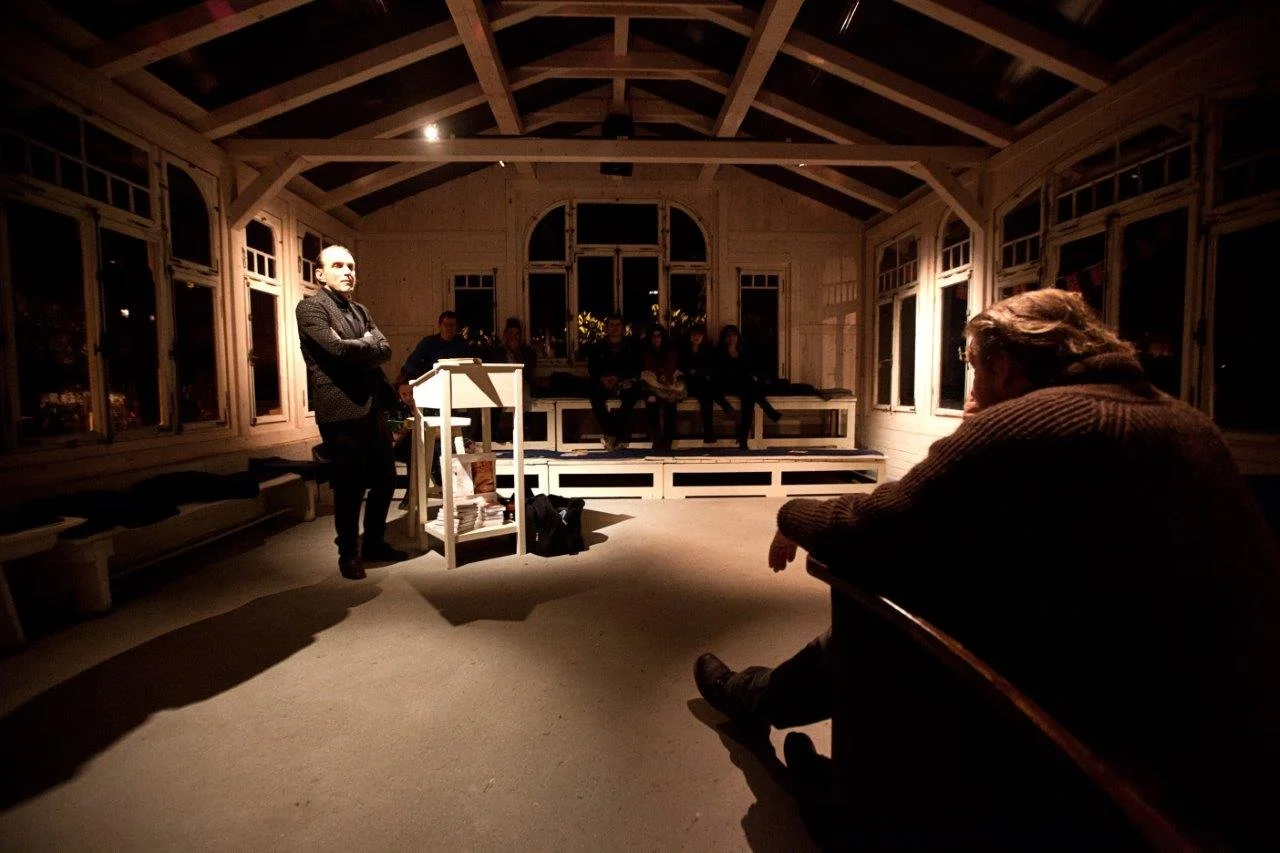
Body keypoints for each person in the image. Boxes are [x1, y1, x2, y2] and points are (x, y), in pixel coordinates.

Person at [693, 289, 1280, 847]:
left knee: (883, 606)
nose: (970, 388)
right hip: (1235, 748)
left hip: (1126, 761)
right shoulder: (1190, 422)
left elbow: (871, 528)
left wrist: (791, 512)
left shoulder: (1033, 423)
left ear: (1006, 367)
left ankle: (849, 793)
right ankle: (768, 701)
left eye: (974, 367)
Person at [296, 245, 409, 580]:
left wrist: (362, 345)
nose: (348, 271)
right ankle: (348, 552)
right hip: (340, 411)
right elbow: (337, 351)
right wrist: (365, 345)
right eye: (338, 265)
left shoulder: (361, 310)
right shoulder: (310, 308)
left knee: (386, 480)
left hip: (373, 407)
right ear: (320, 273)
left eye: (351, 266)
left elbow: (385, 349)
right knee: (349, 487)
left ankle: (373, 542)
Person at [395, 310, 478, 483]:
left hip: (456, 394)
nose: (449, 328)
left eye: (452, 325)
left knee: (460, 429)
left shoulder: (461, 344)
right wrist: (431, 375)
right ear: (439, 325)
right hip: (433, 394)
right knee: (432, 435)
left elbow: (471, 367)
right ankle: (439, 477)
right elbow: (411, 365)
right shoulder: (429, 343)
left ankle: (460, 473)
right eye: (446, 325)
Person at [717, 324, 781, 449]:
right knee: (750, 389)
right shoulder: (721, 352)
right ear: (725, 338)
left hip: (743, 385)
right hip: (728, 383)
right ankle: (770, 411)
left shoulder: (742, 351)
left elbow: (747, 368)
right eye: (728, 336)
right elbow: (724, 371)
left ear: (737, 337)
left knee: (748, 399)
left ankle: (743, 440)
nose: (731, 338)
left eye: (734, 335)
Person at [587, 314, 645, 451]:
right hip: (602, 382)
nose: (614, 328)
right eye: (611, 325)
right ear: (607, 328)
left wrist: (618, 378)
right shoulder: (598, 347)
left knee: (632, 396)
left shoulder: (631, 346)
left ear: (623, 328)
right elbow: (592, 367)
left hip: (623, 382)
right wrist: (602, 379)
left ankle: (612, 434)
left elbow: (636, 366)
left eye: (618, 325)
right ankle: (615, 434)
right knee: (595, 397)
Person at [679, 323, 734, 443]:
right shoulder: (685, 351)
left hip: (704, 384)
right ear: (690, 336)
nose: (696, 337)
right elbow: (683, 369)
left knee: (707, 399)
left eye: (699, 335)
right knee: (706, 389)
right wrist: (694, 371)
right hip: (691, 384)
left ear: (703, 337)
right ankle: (725, 405)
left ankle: (708, 434)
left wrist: (700, 371)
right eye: (694, 335)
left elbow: (711, 367)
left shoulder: (707, 350)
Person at [488, 317, 538, 443]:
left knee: (523, 392)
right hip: (501, 385)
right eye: (510, 333)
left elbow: (528, 371)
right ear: (505, 334)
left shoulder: (526, 352)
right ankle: (493, 432)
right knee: (493, 397)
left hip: (521, 384)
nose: (513, 337)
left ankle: (525, 430)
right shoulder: (497, 352)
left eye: (516, 334)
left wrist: (516, 352)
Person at [639, 324, 684, 452]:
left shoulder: (670, 350)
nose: (656, 339)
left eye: (659, 336)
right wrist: (658, 377)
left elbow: (671, 366)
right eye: (654, 336)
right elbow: (648, 369)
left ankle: (668, 439)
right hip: (652, 384)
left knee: (670, 402)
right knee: (652, 401)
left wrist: (666, 376)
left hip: (668, 383)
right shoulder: (647, 351)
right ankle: (656, 438)